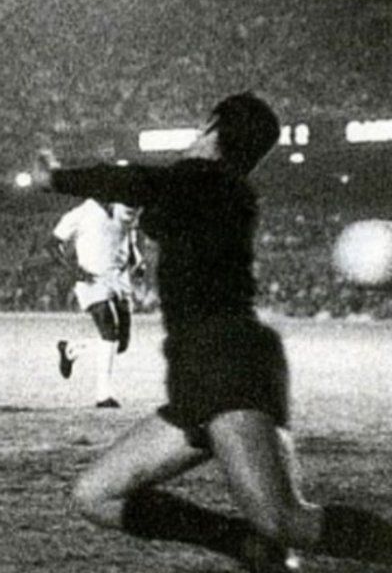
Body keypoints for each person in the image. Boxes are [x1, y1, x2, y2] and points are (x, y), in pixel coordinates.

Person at [29, 92, 392, 571]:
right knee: (96, 495)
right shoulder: (219, 192)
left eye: (200, 130)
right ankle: (248, 548)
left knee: (285, 519)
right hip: (201, 371)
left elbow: (133, 181)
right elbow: (158, 211)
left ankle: (271, 542)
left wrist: (54, 177)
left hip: (227, 365)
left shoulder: (208, 179)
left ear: (212, 130)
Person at [46, 199, 142, 408]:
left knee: (121, 343)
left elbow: (130, 239)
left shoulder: (124, 209)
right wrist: (73, 270)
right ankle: (103, 395)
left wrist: (137, 259)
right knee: (109, 330)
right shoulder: (81, 213)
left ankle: (71, 349)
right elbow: (52, 244)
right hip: (91, 278)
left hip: (119, 277)